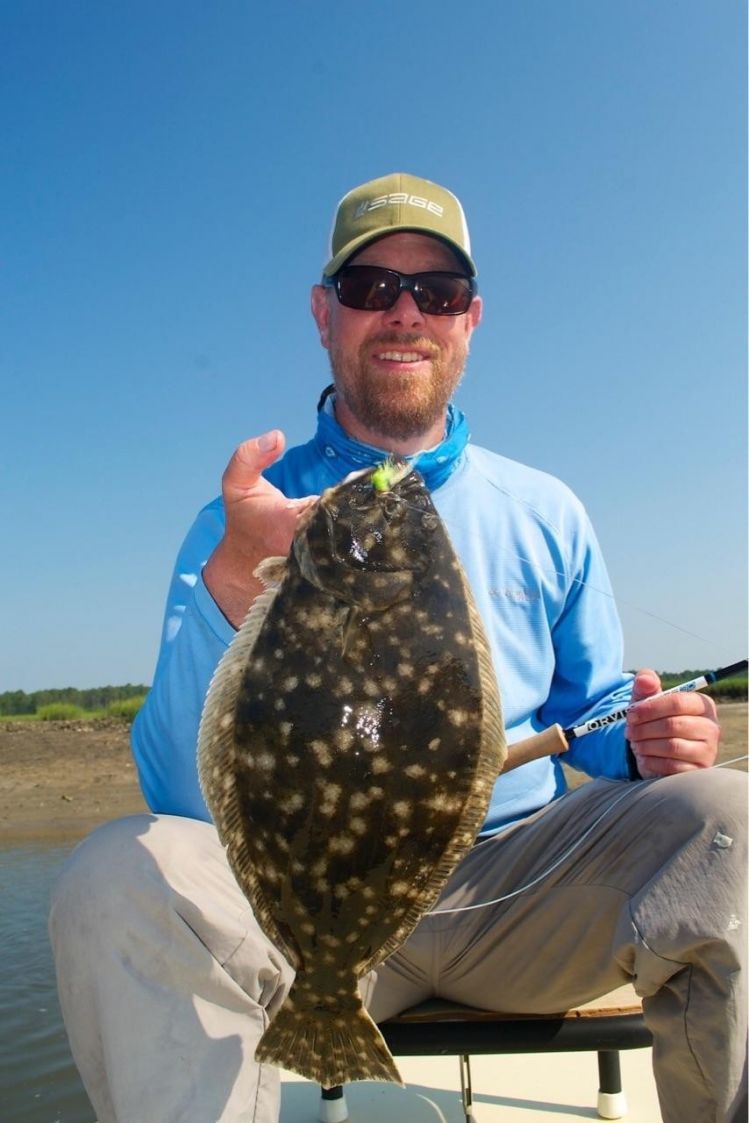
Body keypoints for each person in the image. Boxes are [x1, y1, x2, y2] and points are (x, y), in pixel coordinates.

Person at [50, 172, 746, 1123]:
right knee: (116, 871)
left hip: (510, 892)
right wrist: (229, 578)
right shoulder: (245, 520)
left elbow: (589, 717)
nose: (406, 311)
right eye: (372, 287)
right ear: (323, 313)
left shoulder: (544, 510)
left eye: (439, 292)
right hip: (296, 913)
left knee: (729, 814)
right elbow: (178, 790)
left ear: (470, 319)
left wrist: (643, 742)